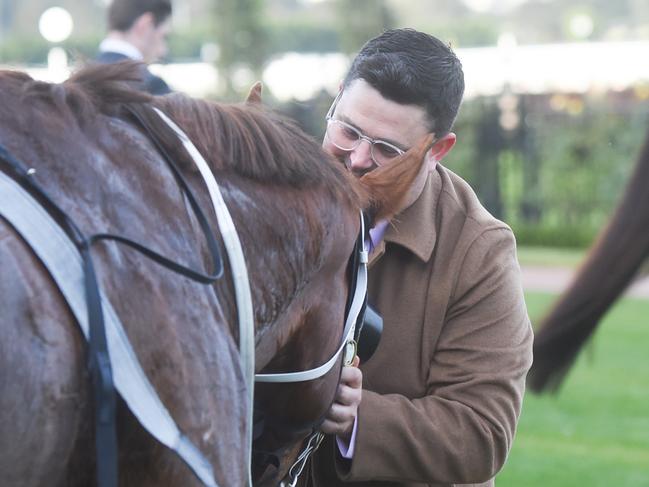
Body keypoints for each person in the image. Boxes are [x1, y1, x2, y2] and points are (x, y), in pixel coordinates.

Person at [307, 28, 534, 487]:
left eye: (389, 150)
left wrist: (356, 418)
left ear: (438, 151)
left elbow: (481, 433)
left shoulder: (479, 251)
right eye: (347, 130)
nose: (357, 159)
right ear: (335, 101)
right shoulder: (275, 198)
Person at [96, 0, 172, 95]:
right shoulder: (152, 86)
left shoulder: (79, 82)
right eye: (163, 37)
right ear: (146, 24)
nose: (163, 51)